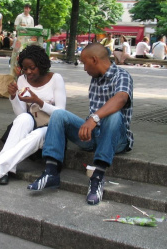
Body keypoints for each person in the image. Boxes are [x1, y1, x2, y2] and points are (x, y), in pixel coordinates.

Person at [28, 43, 133, 205]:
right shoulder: (95, 79)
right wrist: (90, 123)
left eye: (85, 63)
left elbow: (120, 99)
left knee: (114, 115)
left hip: (117, 138)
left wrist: (94, 119)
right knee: (58, 114)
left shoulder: (122, 76)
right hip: (93, 135)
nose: (84, 68)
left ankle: (97, 177)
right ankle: (51, 172)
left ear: (94, 59)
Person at [0, 45, 66, 187]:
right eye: (25, 68)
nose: (28, 72)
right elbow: (21, 114)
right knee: (23, 118)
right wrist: (13, 96)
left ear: (41, 65)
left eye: (32, 68)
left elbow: (61, 114)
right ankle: (6, 170)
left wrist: (37, 101)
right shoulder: (22, 79)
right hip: (31, 123)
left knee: (38, 134)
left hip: (53, 128)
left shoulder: (56, 79)